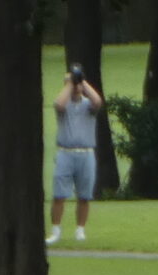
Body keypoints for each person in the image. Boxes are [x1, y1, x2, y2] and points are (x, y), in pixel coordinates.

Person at [48, 66, 104, 244]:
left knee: (84, 196)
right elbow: (59, 104)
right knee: (59, 195)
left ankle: (80, 230)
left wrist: (82, 80)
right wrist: (70, 83)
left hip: (86, 154)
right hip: (66, 153)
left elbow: (97, 101)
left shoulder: (88, 105)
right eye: (72, 83)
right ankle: (56, 230)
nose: (75, 86)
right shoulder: (63, 106)